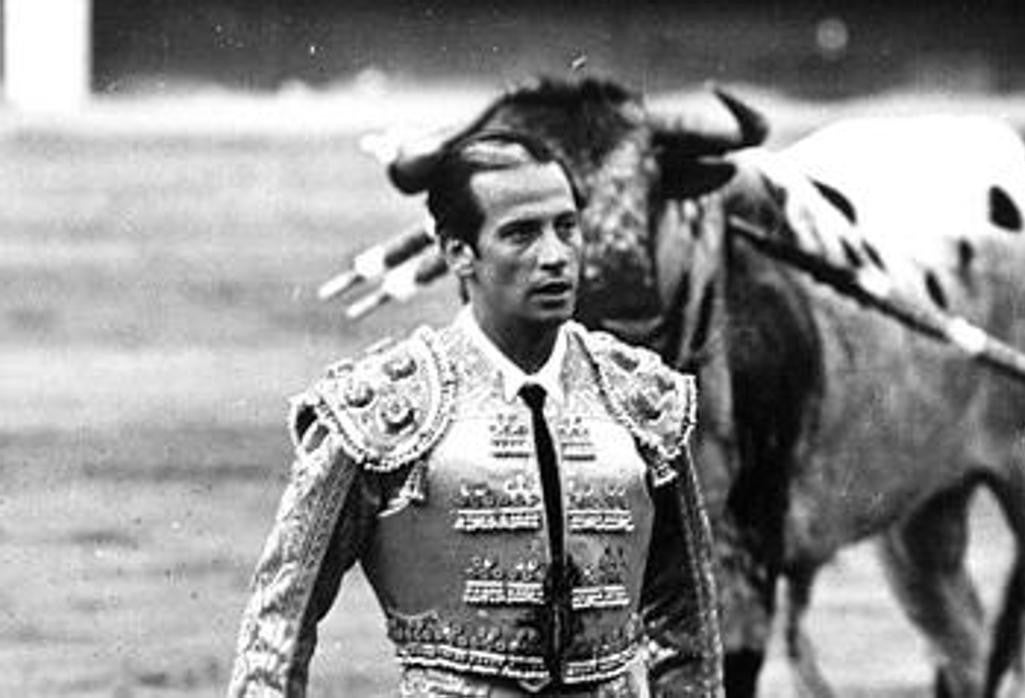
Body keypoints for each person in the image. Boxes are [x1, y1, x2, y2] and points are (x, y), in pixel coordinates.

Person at [227, 130, 723, 697]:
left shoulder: (637, 396)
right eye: (520, 234)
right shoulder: (384, 407)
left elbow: (688, 622)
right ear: (457, 251)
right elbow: (281, 619)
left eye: (566, 227)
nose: (556, 256)